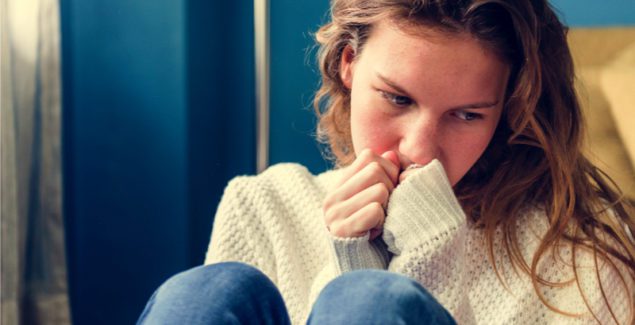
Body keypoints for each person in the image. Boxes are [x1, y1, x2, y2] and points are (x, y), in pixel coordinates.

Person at [137, 0, 635, 324]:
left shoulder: (575, 248)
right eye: (397, 99)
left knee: (370, 303)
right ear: (349, 63)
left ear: (507, 110)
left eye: (466, 115)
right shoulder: (264, 204)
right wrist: (349, 262)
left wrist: (421, 268)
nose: (420, 150)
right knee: (208, 291)